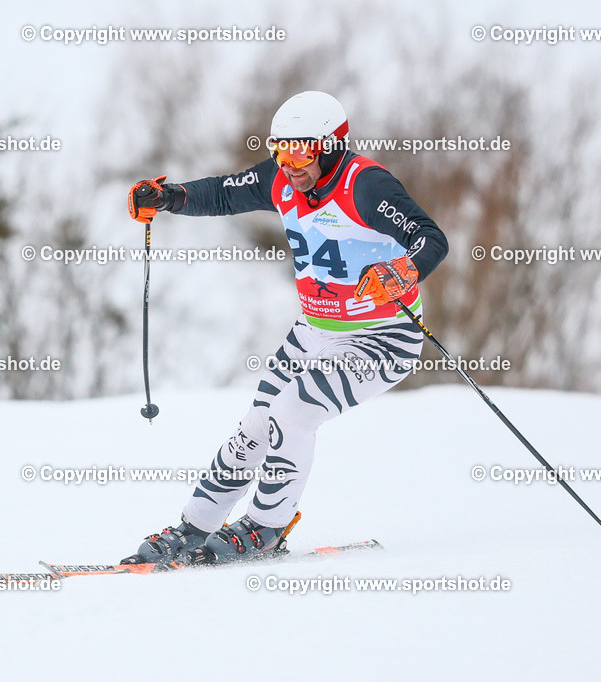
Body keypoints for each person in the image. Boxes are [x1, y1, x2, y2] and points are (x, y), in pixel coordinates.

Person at [123, 91, 448, 565]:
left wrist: (406, 269)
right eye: (280, 149)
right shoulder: (282, 180)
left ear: (331, 146)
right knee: (256, 427)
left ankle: (267, 527)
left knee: (293, 414)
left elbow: (430, 237)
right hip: (313, 331)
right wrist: (170, 197)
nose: (289, 163)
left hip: (382, 339)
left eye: (301, 151)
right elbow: (222, 192)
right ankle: (195, 526)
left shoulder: (366, 186)